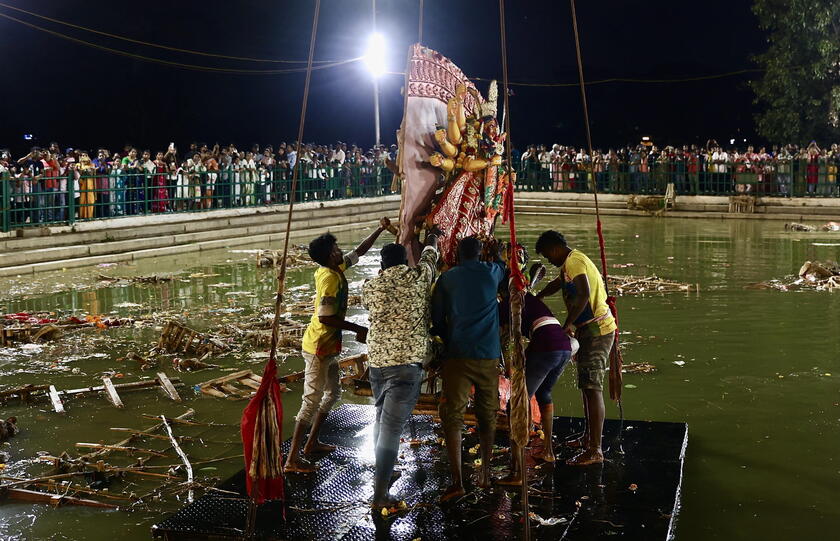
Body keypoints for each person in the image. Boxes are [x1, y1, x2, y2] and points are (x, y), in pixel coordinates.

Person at [284, 218, 392, 473]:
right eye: (334, 250)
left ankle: (311, 444)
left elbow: (359, 253)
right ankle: (291, 460)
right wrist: (358, 328)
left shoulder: (334, 269)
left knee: (332, 394)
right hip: (318, 347)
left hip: (329, 347)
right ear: (328, 257)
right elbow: (324, 317)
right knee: (310, 400)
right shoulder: (330, 279)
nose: (339, 251)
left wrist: (379, 228)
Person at [361, 228, 440, 509]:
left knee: (382, 419)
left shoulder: (370, 287)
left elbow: (369, 305)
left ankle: (384, 473)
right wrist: (432, 237)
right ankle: (380, 494)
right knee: (391, 429)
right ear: (407, 262)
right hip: (406, 367)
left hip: (378, 365)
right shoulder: (419, 278)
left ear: (382, 266)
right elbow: (431, 257)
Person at [432, 236, 505, 502]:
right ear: (480, 253)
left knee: (453, 416)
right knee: (488, 414)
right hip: (488, 355)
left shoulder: (447, 278)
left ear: (456, 254)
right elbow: (503, 268)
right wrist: (496, 254)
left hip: (458, 354)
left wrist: (445, 339)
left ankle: (457, 481)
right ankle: (485, 473)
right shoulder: (491, 271)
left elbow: (437, 319)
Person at [534, 230, 616, 466]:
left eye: (549, 256)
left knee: (592, 387)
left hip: (598, 331)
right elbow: (556, 284)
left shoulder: (575, 261)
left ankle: (595, 450)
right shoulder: (568, 265)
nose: (550, 261)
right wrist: (537, 296)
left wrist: (566, 325)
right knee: (585, 385)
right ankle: (588, 438)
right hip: (587, 330)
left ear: (555, 248)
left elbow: (583, 295)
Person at [497, 252, 576, 485]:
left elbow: (496, 324)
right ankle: (548, 450)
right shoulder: (528, 298)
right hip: (563, 345)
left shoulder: (510, 302)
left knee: (516, 404)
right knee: (544, 394)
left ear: (502, 293)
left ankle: (517, 471)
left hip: (547, 345)